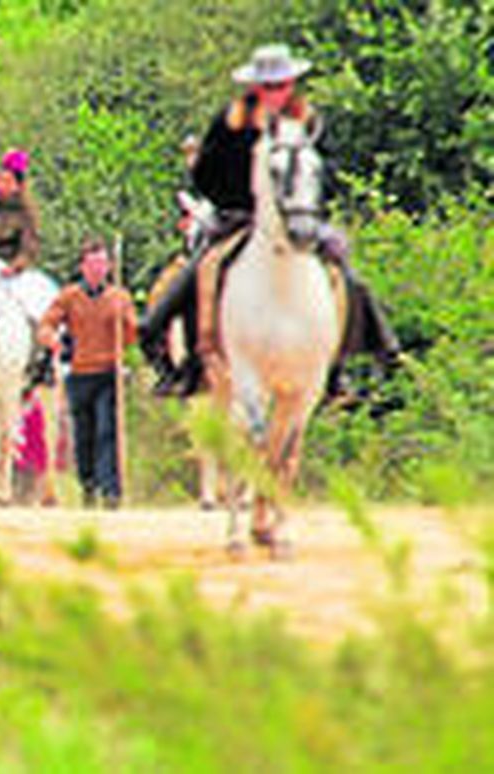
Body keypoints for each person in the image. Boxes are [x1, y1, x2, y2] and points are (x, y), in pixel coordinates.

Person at [139, 44, 401, 401]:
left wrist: (311, 205)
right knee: (200, 270)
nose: (276, 91)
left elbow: (326, 168)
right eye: (269, 85)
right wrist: (240, 198)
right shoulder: (230, 122)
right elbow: (205, 175)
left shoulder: (308, 121)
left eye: (282, 84)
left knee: (342, 269)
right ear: (255, 86)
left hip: (298, 216)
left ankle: (356, 359)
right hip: (239, 215)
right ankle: (179, 359)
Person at [36, 238, 137, 509]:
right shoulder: (69, 296)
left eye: (102, 264)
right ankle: (88, 485)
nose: (98, 269)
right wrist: (52, 340)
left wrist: (126, 323)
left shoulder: (119, 297)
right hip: (80, 372)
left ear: (109, 266)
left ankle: (111, 490)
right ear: (83, 267)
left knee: (108, 431)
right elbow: (46, 325)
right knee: (84, 434)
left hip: (109, 372)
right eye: (93, 264)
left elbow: (131, 334)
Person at [0, 149, 41, 276]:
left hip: (10, 268)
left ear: (18, 186)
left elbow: (29, 247)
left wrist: (16, 266)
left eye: (7, 181)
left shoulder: (26, 212)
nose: (1, 186)